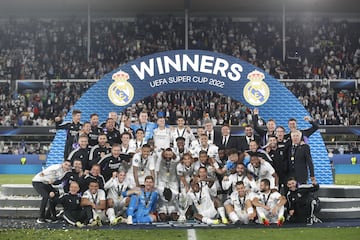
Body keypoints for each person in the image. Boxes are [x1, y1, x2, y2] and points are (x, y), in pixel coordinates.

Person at [156, 148, 180, 221]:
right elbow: (160, 155)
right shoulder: (160, 157)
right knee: (161, 196)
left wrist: (171, 153)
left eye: (170, 154)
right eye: (166, 154)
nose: (168, 156)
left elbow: (176, 157)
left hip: (172, 182)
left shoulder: (176, 159)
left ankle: (172, 210)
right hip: (162, 181)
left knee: (174, 197)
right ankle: (162, 210)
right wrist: (164, 153)